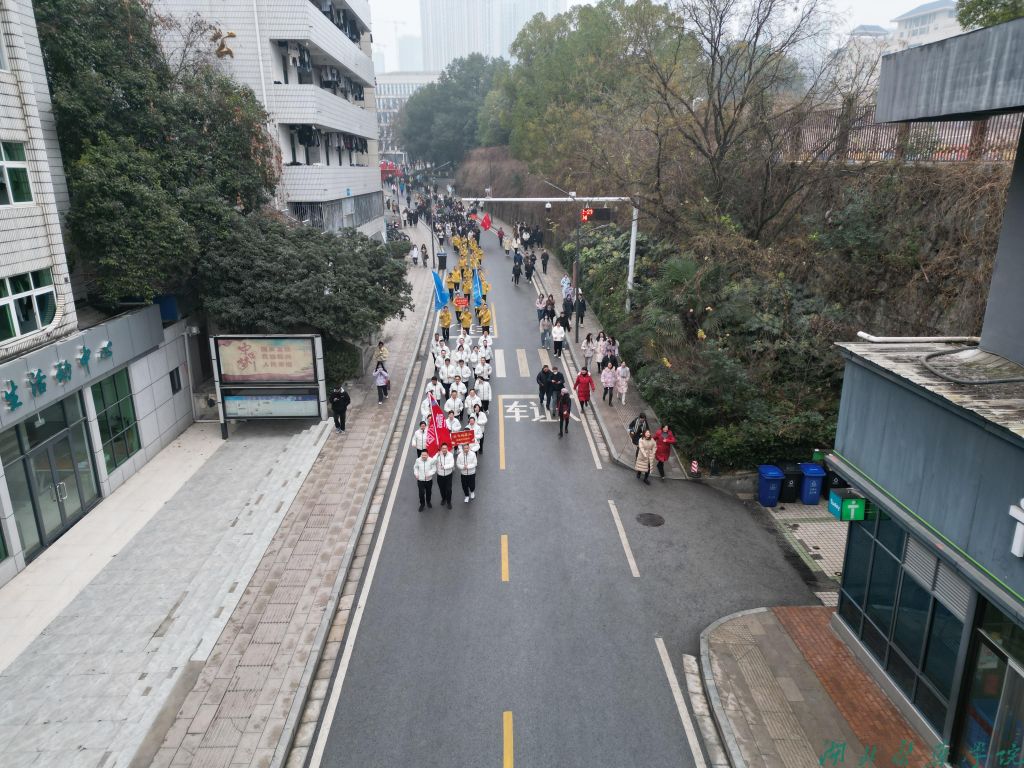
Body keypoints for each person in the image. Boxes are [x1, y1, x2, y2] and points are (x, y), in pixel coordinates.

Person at [435, 443, 455, 509]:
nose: (444, 449)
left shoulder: (450, 455)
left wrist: (444, 467)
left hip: (448, 475)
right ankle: (443, 499)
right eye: (443, 448)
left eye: (445, 448)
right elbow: (432, 462)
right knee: (442, 489)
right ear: (441, 449)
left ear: (447, 448)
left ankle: (449, 502)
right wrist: (436, 455)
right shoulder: (438, 455)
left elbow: (452, 464)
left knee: (449, 490)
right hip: (440, 475)